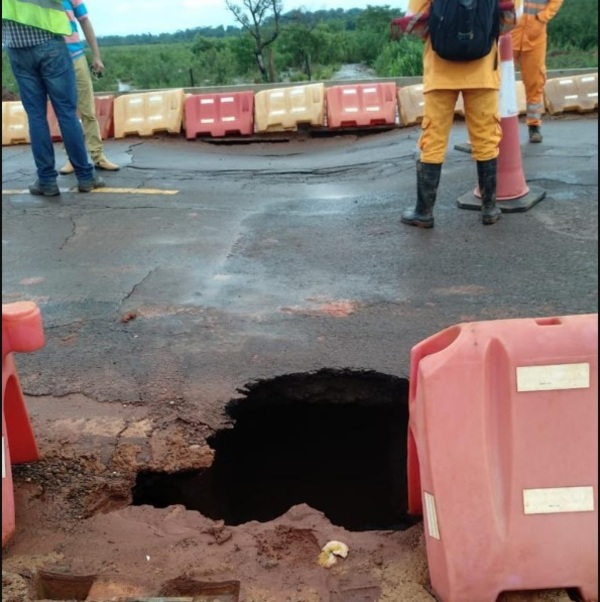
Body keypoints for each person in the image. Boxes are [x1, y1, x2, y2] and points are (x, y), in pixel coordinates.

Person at [393, 1, 516, 228]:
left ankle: (424, 211)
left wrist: (444, 38)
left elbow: (414, 23)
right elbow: (511, 18)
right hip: (483, 70)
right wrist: (480, 36)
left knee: (433, 140)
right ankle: (489, 208)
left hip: (440, 72)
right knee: (486, 137)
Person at [2, 0, 104, 196]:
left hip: (17, 49)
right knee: (66, 113)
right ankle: (85, 176)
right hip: (50, 44)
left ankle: (47, 180)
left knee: (36, 116)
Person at [58, 0, 120, 175]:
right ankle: (72, 158)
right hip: (53, 59)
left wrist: (96, 56)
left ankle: (98, 156)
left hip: (76, 55)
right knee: (64, 111)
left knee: (87, 110)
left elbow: (84, 21)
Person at [511, 0, 564, 143]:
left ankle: (534, 126)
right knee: (498, 82)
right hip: (509, 33)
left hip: (535, 37)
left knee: (535, 83)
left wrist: (543, 16)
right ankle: (493, 126)